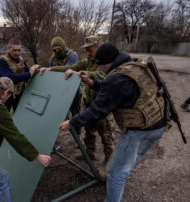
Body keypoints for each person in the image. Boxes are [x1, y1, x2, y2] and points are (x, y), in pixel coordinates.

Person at [59, 43, 167, 202]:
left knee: (115, 171)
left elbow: (97, 110)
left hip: (139, 131)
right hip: (159, 123)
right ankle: (119, 181)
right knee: (126, 165)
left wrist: (72, 122)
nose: (100, 70)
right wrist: (92, 82)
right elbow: (119, 88)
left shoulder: (116, 78)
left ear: (108, 63)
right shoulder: (133, 65)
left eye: (100, 66)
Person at [40, 35, 121, 181]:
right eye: (87, 50)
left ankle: (109, 165)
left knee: (107, 136)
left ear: (98, 47)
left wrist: (82, 74)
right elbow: (70, 68)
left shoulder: (107, 63)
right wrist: (50, 69)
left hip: (103, 106)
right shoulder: (88, 62)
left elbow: (101, 75)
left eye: (90, 49)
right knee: (89, 131)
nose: (88, 52)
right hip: (90, 103)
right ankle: (90, 152)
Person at [48, 36, 82, 135]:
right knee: (58, 114)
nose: (57, 51)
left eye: (59, 48)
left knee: (76, 114)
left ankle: (78, 136)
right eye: (54, 49)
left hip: (74, 90)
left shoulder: (72, 55)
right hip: (60, 90)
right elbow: (51, 75)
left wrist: (54, 70)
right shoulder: (52, 58)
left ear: (63, 46)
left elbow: (67, 71)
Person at [0, 38, 39, 112]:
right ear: (8, 48)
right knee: (4, 117)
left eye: (19, 50)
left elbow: (27, 72)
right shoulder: (1, 61)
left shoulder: (21, 60)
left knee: (20, 115)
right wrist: (29, 74)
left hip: (19, 94)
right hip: (6, 95)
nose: (17, 53)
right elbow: (9, 79)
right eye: (14, 50)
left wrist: (37, 70)